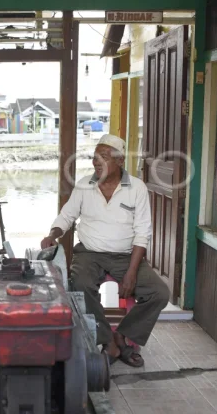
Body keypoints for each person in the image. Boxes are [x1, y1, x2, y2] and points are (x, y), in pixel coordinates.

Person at [40, 134, 169, 367]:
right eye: (95, 157)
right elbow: (67, 216)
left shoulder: (137, 188)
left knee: (159, 293)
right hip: (90, 253)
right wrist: (53, 234)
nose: (96, 162)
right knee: (79, 285)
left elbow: (143, 233)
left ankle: (124, 334)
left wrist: (131, 272)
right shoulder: (84, 185)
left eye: (104, 157)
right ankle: (108, 340)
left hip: (126, 255)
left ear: (120, 161)